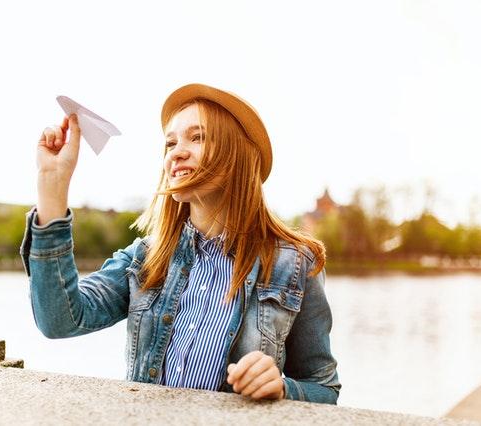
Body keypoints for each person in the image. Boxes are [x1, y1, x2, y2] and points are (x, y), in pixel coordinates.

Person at [20, 83, 341, 404]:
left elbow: (323, 387)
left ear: (238, 154)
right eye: (170, 143)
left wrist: (283, 388)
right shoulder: (145, 257)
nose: (176, 151)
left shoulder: (296, 263)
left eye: (197, 137)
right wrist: (53, 183)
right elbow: (60, 320)